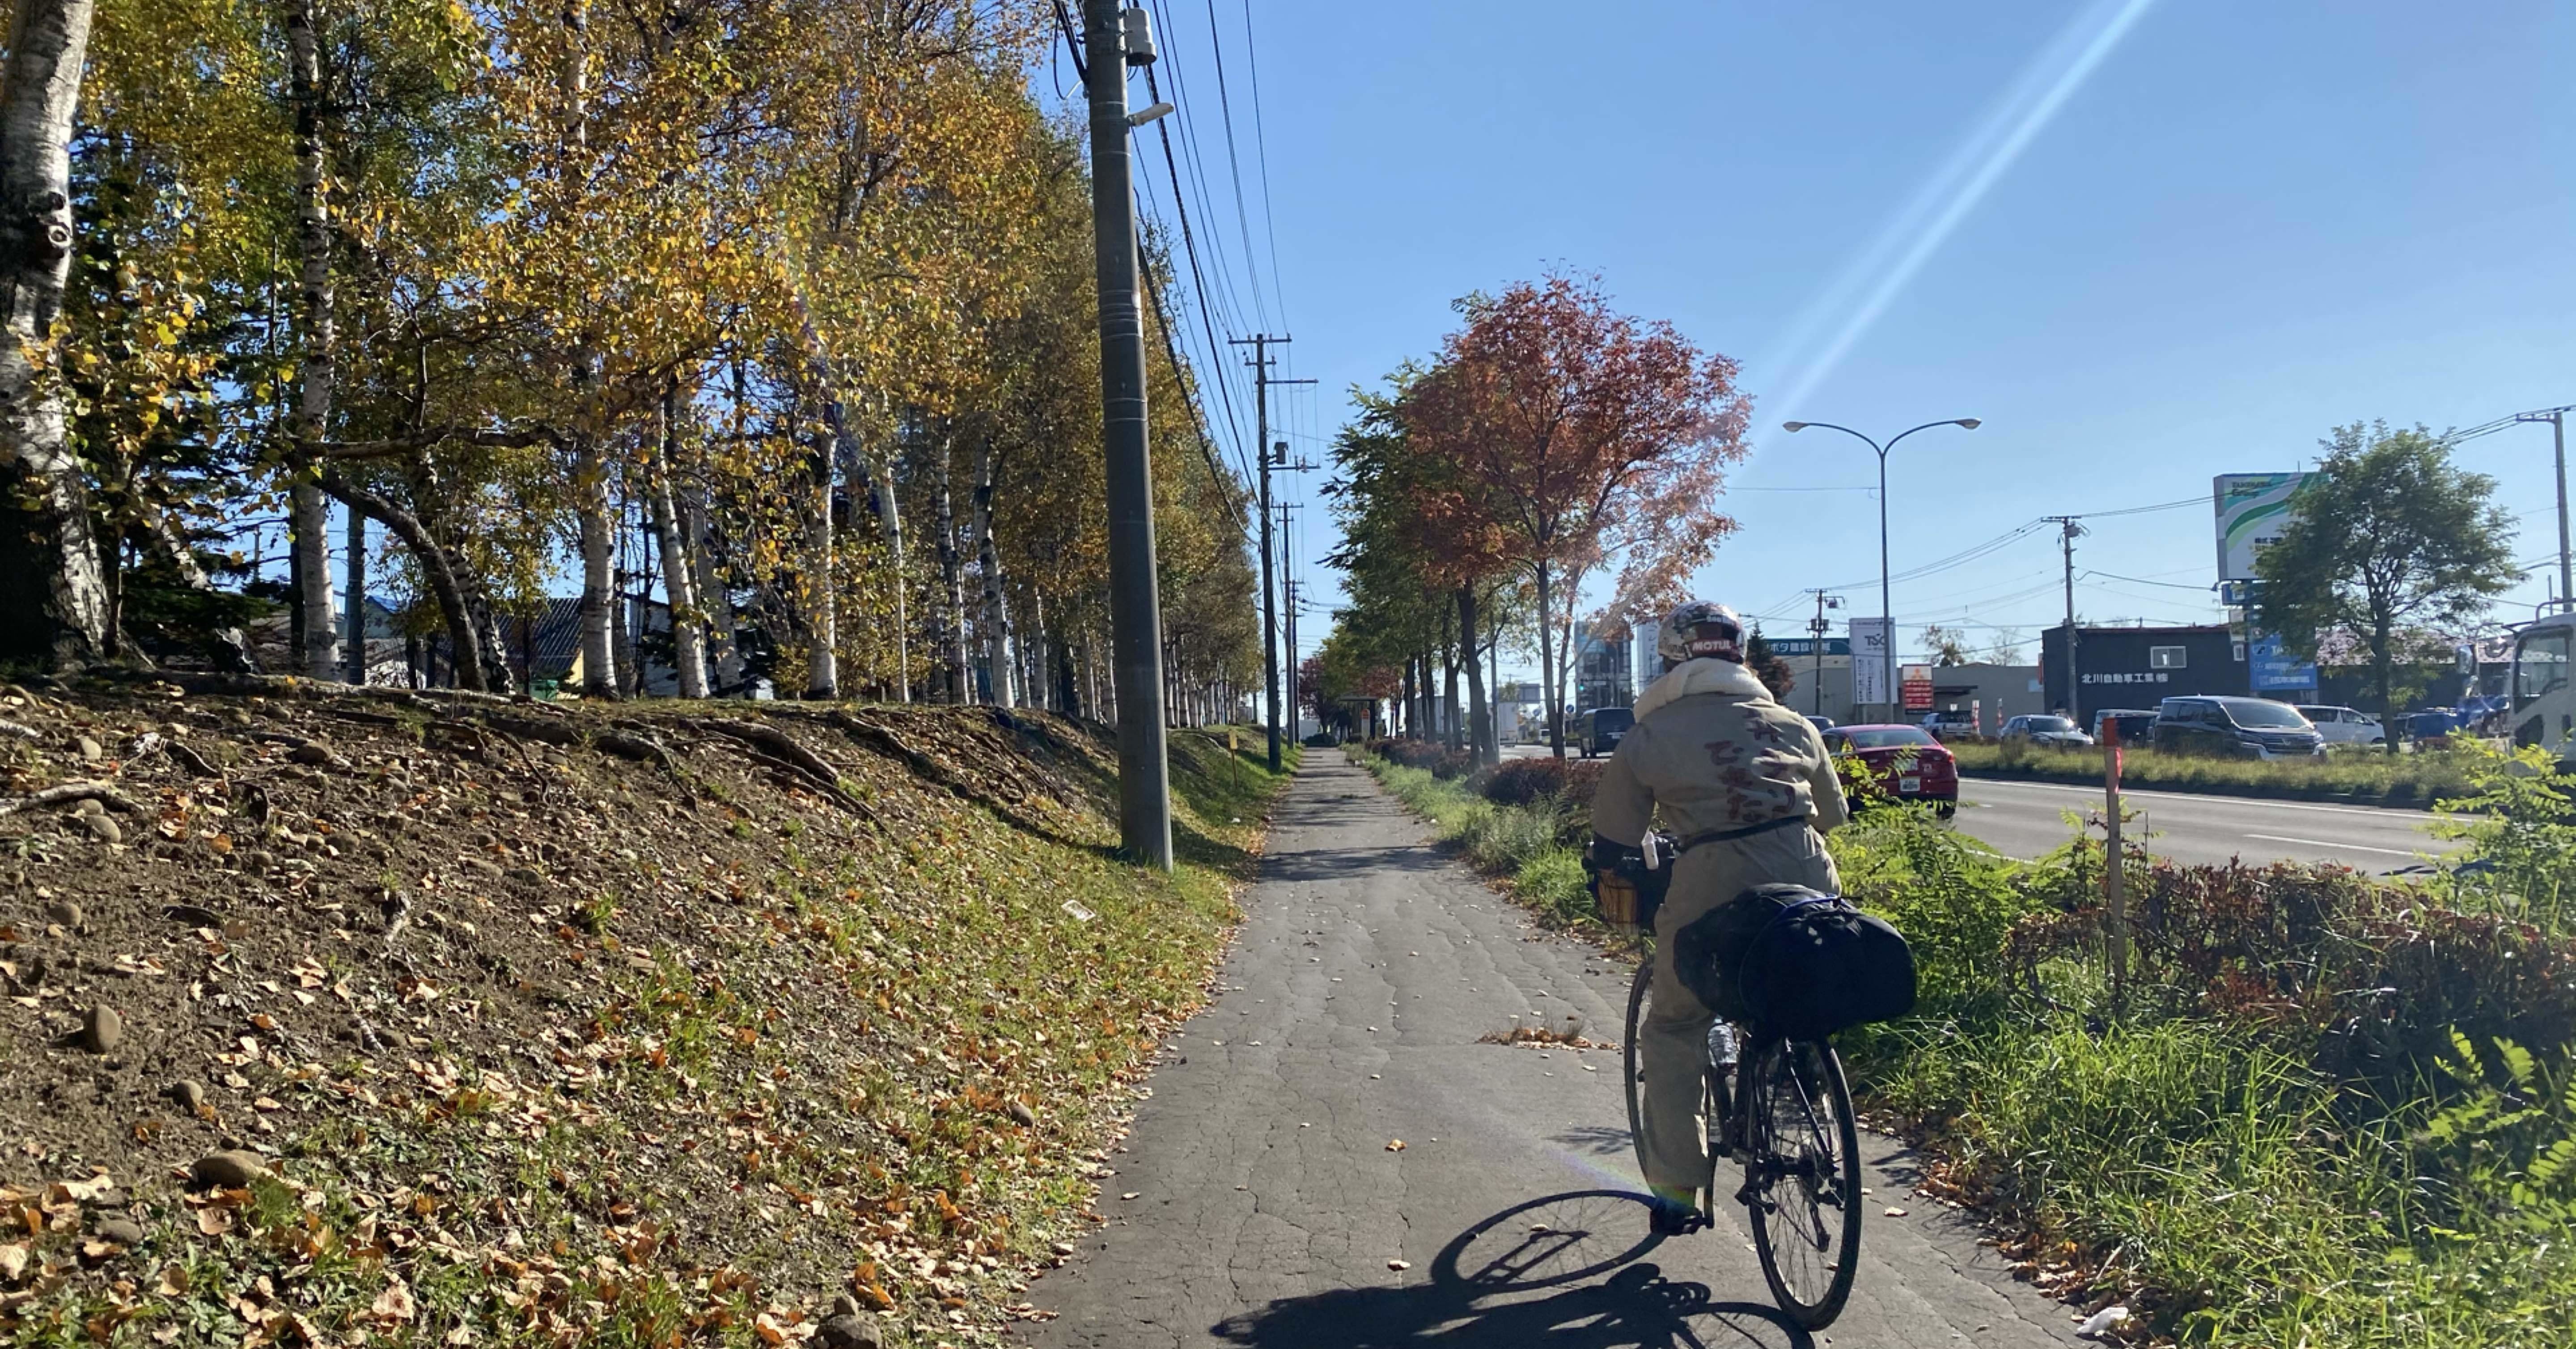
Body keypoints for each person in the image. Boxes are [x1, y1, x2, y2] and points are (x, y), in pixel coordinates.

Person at [1590, 601, 1849, 1233]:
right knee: (1797, 993)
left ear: (1672, 658)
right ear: (1739, 654)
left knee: (1676, 1029)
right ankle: (1804, 1075)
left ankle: (1677, 1194)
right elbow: (1835, 816)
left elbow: (1616, 834)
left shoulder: (1651, 733)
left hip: (1712, 880)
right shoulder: (1792, 723)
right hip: (1809, 875)